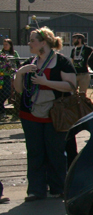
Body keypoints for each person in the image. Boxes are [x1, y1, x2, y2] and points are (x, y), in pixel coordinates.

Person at [12, 27, 77, 202]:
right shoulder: (29, 62)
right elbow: (19, 90)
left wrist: (46, 82)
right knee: (34, 152)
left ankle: (58, 188)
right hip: (30, 114)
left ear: (44, 42)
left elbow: (71, 86)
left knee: (55, 152)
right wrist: (20, 73)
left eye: (33, 40)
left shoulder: (61, 62)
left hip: (54, 115)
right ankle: (35, 190)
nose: (29, 43)